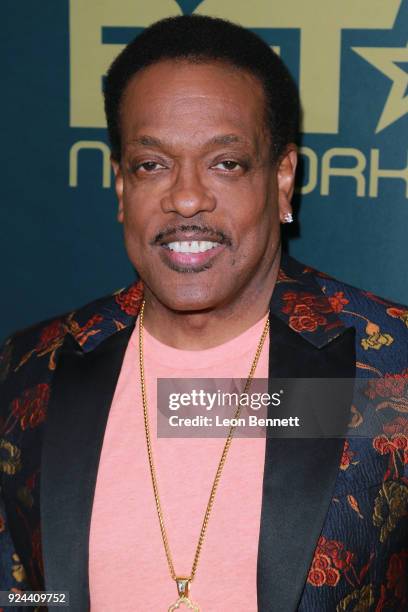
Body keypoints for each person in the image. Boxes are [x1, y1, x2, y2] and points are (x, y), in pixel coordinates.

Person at [0, 14, 407, 612]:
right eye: (152, 165)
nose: (186, 197)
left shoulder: (393, 362)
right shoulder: (31, 367)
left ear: (282, 178)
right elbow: (24, 592)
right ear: (120, 185)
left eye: (226, 163)